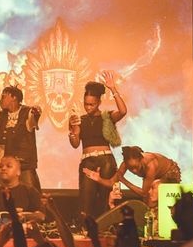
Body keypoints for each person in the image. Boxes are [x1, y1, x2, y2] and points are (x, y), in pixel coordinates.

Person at [68, 74, 127, 218]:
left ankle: (107, 227)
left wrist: (113, 89)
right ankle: (88, 228)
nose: (88, 107)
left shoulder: (107, 116)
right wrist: (72, 132)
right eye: (86, 104)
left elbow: (123, 111)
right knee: (86, 202)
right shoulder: (79, 120)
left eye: (92, 104)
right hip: (87, 161)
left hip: (106, 160)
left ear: (99, 102)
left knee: (106, 199)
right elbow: (75, 144)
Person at [0, 86, 43, 191]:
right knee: (0, 194)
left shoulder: (27, 113)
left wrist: (36, 112)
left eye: (3, 97)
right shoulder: (1, 116)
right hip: (5, 166)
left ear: (14, 98)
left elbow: (33, 117)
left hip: (24, 165)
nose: (0, 100)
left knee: (31, 193)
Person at [83, 146, 180, 208]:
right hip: (155, 178)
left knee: (152, 197)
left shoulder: (151, 165)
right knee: (147, 201)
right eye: (131, 168)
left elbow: (143, 192)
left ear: (141, 159)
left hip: (169, 174)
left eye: (136, 167)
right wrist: (99, 179)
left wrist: (124, 181)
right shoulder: (125, 164)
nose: (135, 171)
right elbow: (112, 182)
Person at [0, 156, 45, 222]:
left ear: (18, 172)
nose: (3, 168)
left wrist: (23, 216)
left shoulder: (30, 192)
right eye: (1, 166)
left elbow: (41, 216)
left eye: (9, 166)